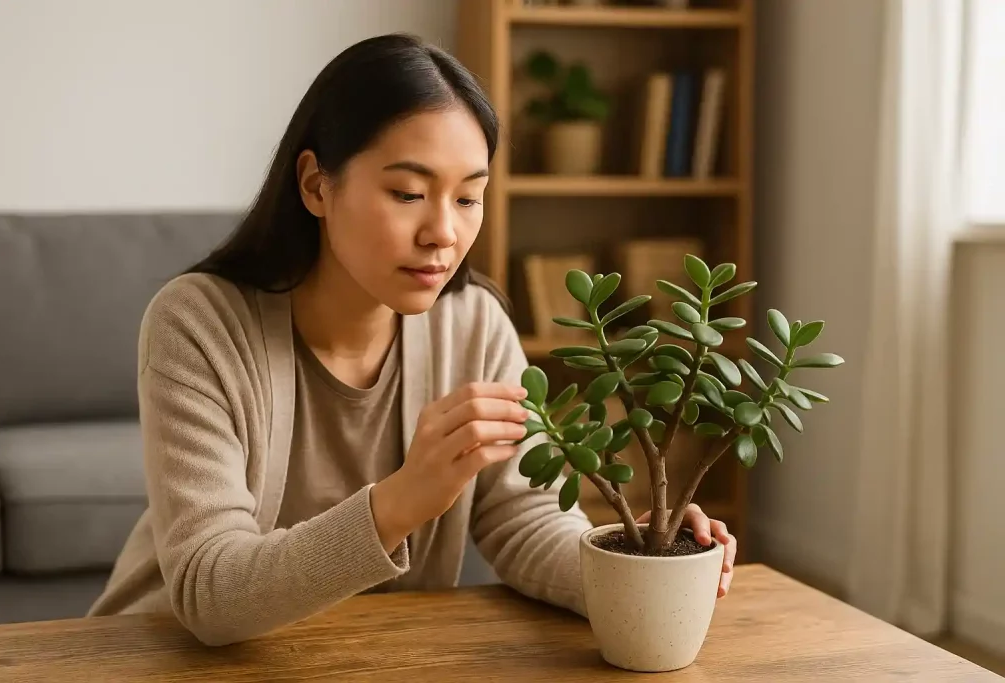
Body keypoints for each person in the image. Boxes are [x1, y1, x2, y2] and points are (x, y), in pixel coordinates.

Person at [87, 32, 736, 646]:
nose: (443, 233)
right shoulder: (198, 323)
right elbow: (209, 591)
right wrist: (399, 502)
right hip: (164, 656)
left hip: (378, 656)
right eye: (408, 192)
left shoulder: (474, 325)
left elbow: (522, 516)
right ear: (316, 184)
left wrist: (643, 565)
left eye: (467, 198)